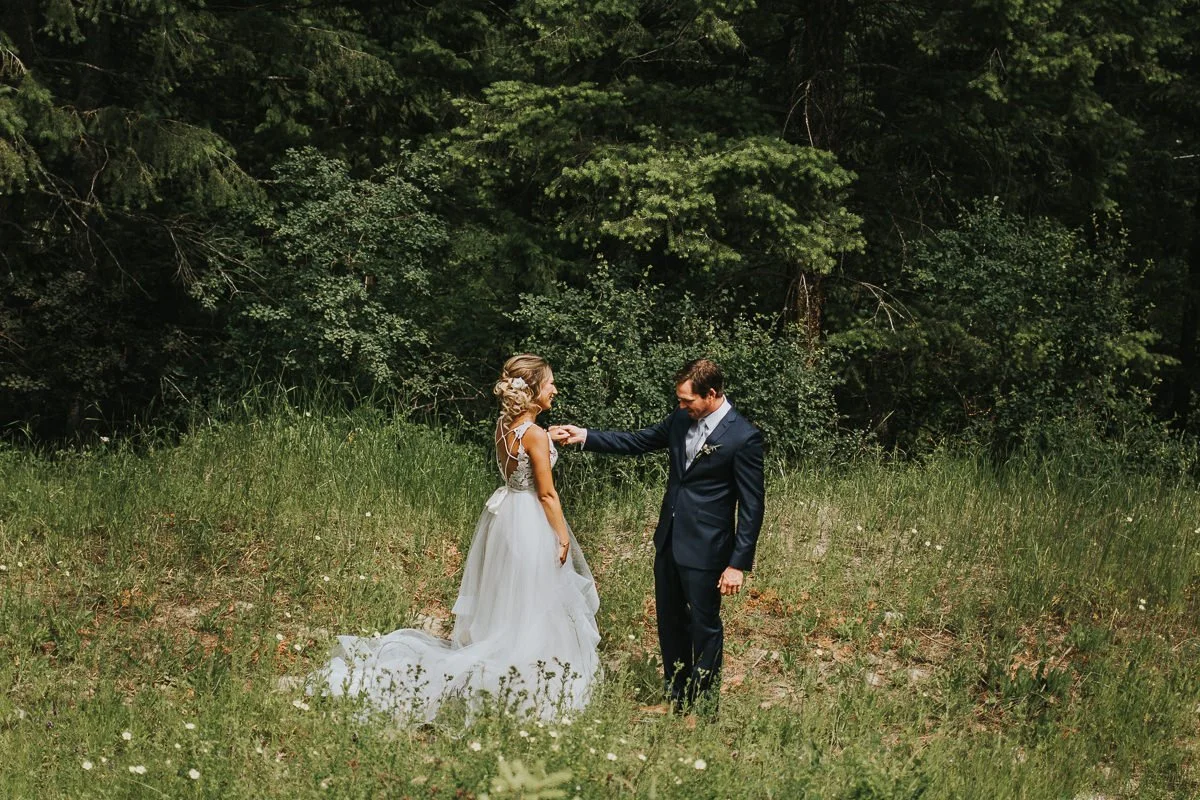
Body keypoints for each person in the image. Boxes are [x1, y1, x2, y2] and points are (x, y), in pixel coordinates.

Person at [311, 354, 600, 722]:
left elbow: (522, 459)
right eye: (549, 384)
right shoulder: (536, 436)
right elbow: (546, 494)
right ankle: (524, 673)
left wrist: (549, 439)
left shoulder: (505, 426)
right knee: (534, 598)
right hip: (530, 519)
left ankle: (508, 657)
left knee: (509, 595)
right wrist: (561, 537)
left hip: (506, 516)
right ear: (532, 391)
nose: (555, 389)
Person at [551, 358, 764, 712]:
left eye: (687, 400)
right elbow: (637, 442)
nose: (680, 406)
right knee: (670, 621)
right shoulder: (682, 419)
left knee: (704, 628)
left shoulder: (743, 437)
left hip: (708, 549)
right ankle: (676, 698)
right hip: (669, 540)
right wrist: (585, 436)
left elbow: (753, 505)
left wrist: (738, 564)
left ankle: (703, 708)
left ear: (711, 394)